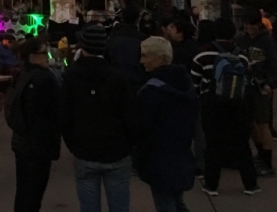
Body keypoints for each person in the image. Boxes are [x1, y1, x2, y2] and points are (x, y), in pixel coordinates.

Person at [61, 24, 136, 212]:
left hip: (85, 150)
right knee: (119, 205)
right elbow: (130, 115)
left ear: (83, 46)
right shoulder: (118, 78)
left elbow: (65, 115)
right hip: (116, 150)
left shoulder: (71, 77)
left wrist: (73, 144)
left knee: (88, 206)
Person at [191, 17, 260, 197]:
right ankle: (250, 184)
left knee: (213, 145)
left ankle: (212, 185)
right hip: (238, 105)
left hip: (212, 105)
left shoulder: (202, 54)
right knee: (241, 145)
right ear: (233, 33)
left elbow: (195, 83)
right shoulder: (242, 55)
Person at [135, 37, 197, 212]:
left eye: (145, 56)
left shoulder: (151, 91)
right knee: (177, 201)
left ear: (160, 58)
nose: (142, 61)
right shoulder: (185, 84)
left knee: (165, 203)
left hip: (158, 157)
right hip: (181, 153)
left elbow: (142, 126)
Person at [11, 38, 62, 212]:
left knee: (23, 190)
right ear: (32, 56)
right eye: (43, 53)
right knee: (33, 194)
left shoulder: (21, 76)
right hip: (38, 146)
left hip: (22, 143)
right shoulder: (45, 79)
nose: (47, 57)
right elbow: (53, 113)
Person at [237, 10, 277, 177]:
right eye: (246, 25)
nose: (249, 28)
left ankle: (267, 162)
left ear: (258, 24)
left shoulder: (266, 40)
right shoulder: (242, 39)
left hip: (261, 86)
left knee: (263, 123)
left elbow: (273, 63)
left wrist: (270, 83)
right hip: (246, 86)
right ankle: (260, 154)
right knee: (252, 123)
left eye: (252, 25)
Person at [106, 7, 148, 93]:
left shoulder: (112, 38)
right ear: (138, 19)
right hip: (138, 83)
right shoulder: (144, 39)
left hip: (115, 83)